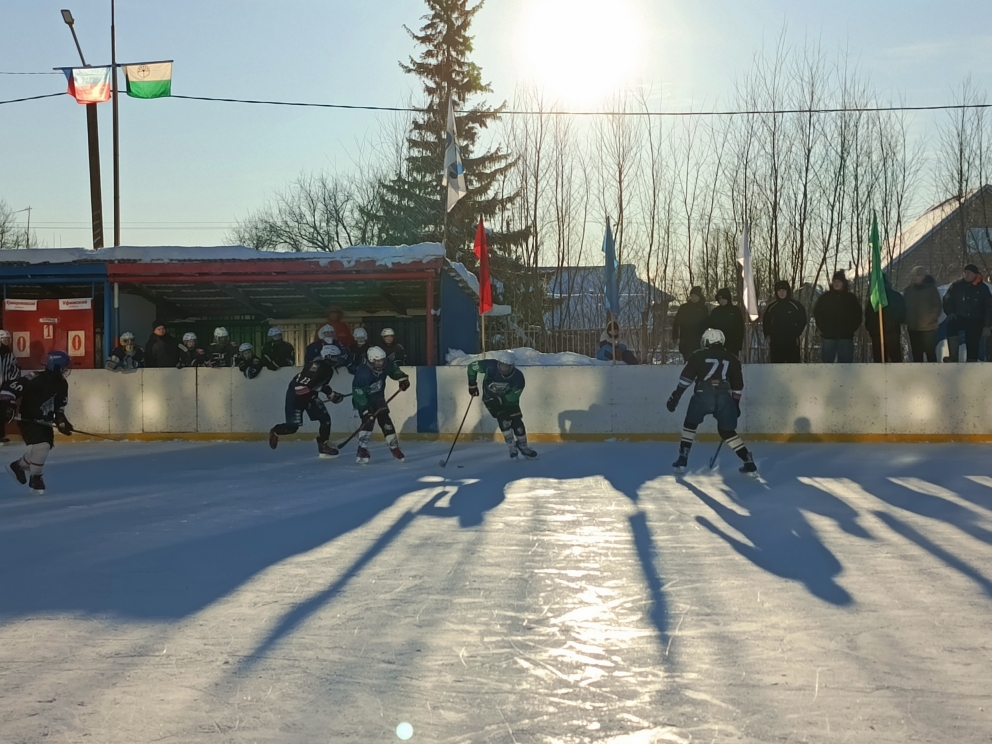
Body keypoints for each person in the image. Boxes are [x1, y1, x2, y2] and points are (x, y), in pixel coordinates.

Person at [666, 328, 757, 475]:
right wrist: (735, 404)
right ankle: (747, 459)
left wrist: (676, 396)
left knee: (690, 424)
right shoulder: (732, 358)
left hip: (703, 395)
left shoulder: (698, 355)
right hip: (724, 397)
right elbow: (738, 386)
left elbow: (686, 379)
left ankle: (682, 459)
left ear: (706, 341)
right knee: (726, 431)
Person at [1, 350, 74, 495]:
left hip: (45, 422)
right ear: (56, 367)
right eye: (64, 367)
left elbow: (59, 407)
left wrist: (61, 421)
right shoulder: (35, 378)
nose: (66, 370)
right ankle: (36, 478)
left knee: (42, 449)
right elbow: (8, 389)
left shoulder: (62, 384)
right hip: (29, 420)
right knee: (42, 446)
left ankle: (19, 466)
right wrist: (8, 406)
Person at [268, 344, 346, 458]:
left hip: (309, 395)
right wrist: (316, 396)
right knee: (293, 427)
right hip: (295, 397)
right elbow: (300, 388)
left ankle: (323, 445)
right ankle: (275, 431)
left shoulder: (327, 369)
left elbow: (320, 384)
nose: (337, 360)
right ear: (328, 357)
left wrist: (331, 394)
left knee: (325, 419)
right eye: (335, 357)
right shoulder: (316, 367)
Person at [467, 349, 537, 460]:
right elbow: (471, 367)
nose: (503, 369)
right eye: (502, 365)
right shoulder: (490, 366)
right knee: (503, 420)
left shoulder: (518, 378)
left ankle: (523, 446)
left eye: (507, 367)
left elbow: (512, 398)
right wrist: (472, 385)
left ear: (512, 366)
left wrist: (501, 399)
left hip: (510, 402)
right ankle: (512, 447)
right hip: (490, 399)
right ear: (498, 363)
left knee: (517, 424)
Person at [352, 346, 411, 464]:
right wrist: (365, 409)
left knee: (386, 421)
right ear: (371, 360)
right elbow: (358, 393)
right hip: (364, 400)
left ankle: (394, 448)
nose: (381, 363)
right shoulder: (363, 373)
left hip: (378, 399)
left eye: (382, 360)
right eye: (378, 361)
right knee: (368, 422)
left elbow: (394, 371)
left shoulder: (385, 365)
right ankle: (362, 449)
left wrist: (403, 379)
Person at [942, 263, 992, 362]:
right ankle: (953, 356)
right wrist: (950, 312)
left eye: (969, 273)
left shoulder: (983, 288)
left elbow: (989, 307)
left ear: (975, 274)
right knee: (951, 325)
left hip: (976, 319)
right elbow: (947, 300)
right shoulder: (957, 285)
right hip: (960, 317)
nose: (966, 275)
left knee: (973, 341)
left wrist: (987, 325)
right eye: (965, 273)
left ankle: (972, 361)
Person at [812, 270, 862, 363]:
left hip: (845, 336)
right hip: (828, 336)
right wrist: (823, 328)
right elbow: (817, 314)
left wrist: (851, 329)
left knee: (846, 364)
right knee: (827, 363)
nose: (836, 284)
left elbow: (857, 315)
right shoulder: (825, 298)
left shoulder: (851, 298)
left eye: (838, 281)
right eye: (834, 281)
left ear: (843, 283)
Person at [903, 266, 942, 362]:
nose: (915, 277)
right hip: (913, 328)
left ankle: (932, 371)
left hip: (928, 328)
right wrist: (907, 320)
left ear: (924, 276)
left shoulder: (931, 289)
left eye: (918, 275)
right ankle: (918, 371)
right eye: (914, 275)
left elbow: (937, 306)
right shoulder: (908, 290)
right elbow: (903, 307)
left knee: (930, 353)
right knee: (916, 354)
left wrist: (930, 319)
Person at [762, 280, 808, 363]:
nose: (781, 293)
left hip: (792, 343)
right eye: (779, 291)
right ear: (776, 292)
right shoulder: (771, 307)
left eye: (783, 290)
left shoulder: (796, 306)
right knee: (776, 367)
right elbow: (766, 322)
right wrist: (768, 335)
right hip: (776, 344)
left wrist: (796, 333)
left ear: (787, 291)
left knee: (793, 366)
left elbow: (802, 320)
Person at [865, 275, 906, 363]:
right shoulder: (873, 299)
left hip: (892, 334)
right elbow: (868, 315)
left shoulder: (895, 296)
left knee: (895, 360)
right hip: (877, 335)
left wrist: (892, 325)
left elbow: (902, 313)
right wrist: (871, 330)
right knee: (879, 361)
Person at [672, 286, 710, 362]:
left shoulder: (703, 308)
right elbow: (676, 322)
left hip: (698, 339)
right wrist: (675, 336)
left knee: (698, 359)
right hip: (685, 338)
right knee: (687, 358)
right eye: (692, 296)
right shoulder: (684, 308)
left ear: (699, 297)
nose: (694, 298)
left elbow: (707, 323)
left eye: (696, 296)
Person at [705, 288, 745, 356]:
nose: (721, 301)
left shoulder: (735, 311)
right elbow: (710, 326)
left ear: (728, 298)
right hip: (717, 343)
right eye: (720, 299)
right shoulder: (716, 311)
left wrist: (739, 344)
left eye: (723, 298)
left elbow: (740, 328)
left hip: (732, 344)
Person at [0, 329, 20, 444]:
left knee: (2, 411)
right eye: (4, 339)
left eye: (8, 339)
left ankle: (1, 435)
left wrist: (10, 383)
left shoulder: (10, 355)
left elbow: (15, 369)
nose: (7, 342)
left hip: (5, 387)